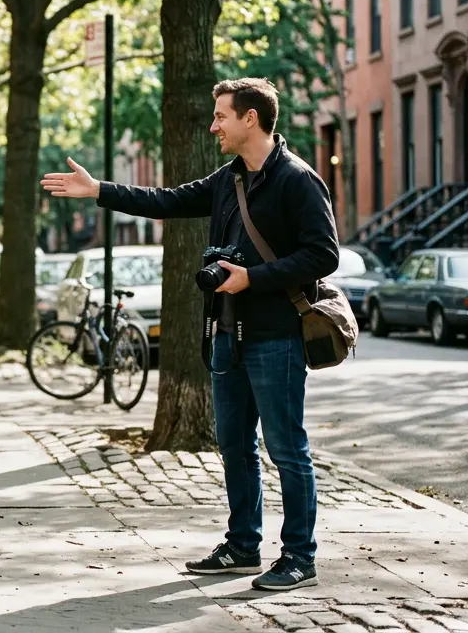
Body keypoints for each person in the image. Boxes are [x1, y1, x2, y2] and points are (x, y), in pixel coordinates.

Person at [41, 78, 339, 592]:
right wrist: (100, 192)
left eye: (221, 115)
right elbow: (167, 200)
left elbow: (324, 255)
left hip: (275, 336)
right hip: (227, 332)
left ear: (250, 118)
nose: (213, 125)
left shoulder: (298, 179)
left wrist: (254, 277)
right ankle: (244, 545)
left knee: (287, 448)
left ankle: (299, 557)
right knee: (234, 445)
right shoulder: (229, 179)